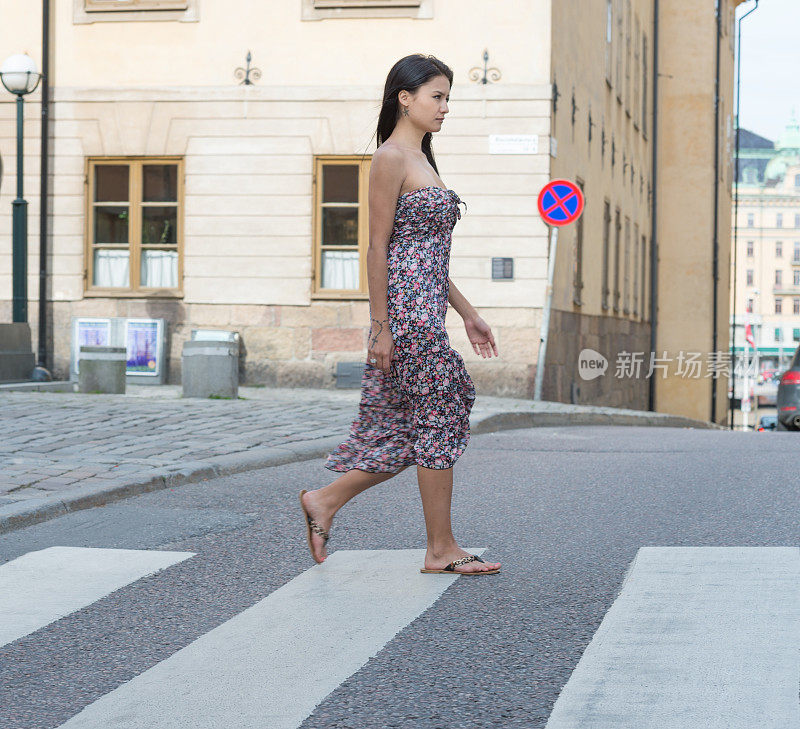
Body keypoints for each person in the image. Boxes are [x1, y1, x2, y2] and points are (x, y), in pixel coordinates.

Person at [300, 54, 501, 576]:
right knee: (436, 418)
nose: (445, 107)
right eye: (437, 96)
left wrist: (469, 314)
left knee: (419, 427)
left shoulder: (423, 160)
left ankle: (326, 500)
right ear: (404, 98)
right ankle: (439, 549)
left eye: (447, 97)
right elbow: (376, 247)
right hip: (407, 316)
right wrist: (381, 327)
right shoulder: (390, 158)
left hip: (427, 309)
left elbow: (428, 256)